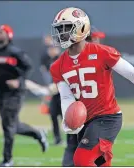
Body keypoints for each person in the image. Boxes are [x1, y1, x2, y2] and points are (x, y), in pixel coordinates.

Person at [49, 7, 134, 167]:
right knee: (100, 162)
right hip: (85, 120)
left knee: (81, 159)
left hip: (107, 117)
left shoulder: (102, 52)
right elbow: (66, 96)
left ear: (81, 28)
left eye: (66, 28)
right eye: (59, 29)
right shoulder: (57, 65)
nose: (61, 34)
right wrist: (67, 118)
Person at [25, 26, 106, 166]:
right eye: (96, 39)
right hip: (79, 109)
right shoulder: (69, 59)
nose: (98, 42)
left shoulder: (99, 56)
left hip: (93, 114)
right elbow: (60, 84)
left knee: (92, 154)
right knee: (74, 149)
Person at [0, 24, 48, 167]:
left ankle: (7, 160)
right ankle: (38, 134)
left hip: (15, 93)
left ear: (8, 36)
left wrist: (19, 80)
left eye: (1, 32)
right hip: (3, 92)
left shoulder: (14, 52)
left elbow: (28, 67)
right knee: (11, 125)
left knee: (8, 126)